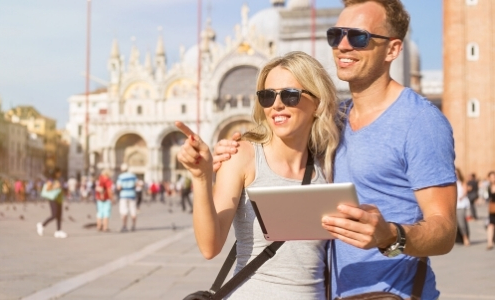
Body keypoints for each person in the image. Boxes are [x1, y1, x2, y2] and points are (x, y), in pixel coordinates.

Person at [213, 1, 457, 298]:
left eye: (358, 37)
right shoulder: (334, 120)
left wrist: (391, 235)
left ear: (392, 50)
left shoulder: (420, 121)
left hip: (393, 293)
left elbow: (444, 230)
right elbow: (279, 143)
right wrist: (232, 150)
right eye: (336, 35)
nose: (343, 45)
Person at [176, 51, 340, 299]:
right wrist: (201, 177)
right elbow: (209, 246)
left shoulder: (328, 165)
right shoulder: (244, 156)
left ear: (317, 103)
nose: (276, 105)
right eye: (267, 96)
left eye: (290, 95)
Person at [37, 168, 67, 238]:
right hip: (53, 199)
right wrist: (56, 186)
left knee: (59, 215)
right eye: (59, 172)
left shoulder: (59, 179)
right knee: (54, 215)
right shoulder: (51, 179)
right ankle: (42, 225)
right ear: (56, 173)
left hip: (59, 198)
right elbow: (48, 188)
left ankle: (58, 231)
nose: (60, 174)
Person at [116, 163, 138, 232]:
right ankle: (133, 225)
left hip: (124, 195)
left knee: (124, 211)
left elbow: (118, 187)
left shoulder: (121, 176)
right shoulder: (133, 176)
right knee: (133, 210)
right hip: (132, 194)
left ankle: (124, 226)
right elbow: (137, 184)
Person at [455, 168, 470, 246]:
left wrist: (460, 197)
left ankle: (465, 238)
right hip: (453, 206)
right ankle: (457, 239)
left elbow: (465, 192)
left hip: (460, 205)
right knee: (455, 224)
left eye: (457, 173)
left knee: (461, 223)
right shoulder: (452, 183)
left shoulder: (462, 183)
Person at [486, 171, 495, 250]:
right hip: (492, 209)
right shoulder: (488, 187)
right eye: (491, 177)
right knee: (490, 225)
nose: (493, 179)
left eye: (494, 177)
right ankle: (489, 243)